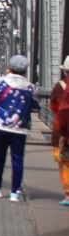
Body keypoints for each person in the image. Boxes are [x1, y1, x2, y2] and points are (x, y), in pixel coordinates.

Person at [0, 54, 40, 202]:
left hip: (1, 126)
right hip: (20, 128)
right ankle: (15, 192)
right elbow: (36, 107)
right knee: (18, 160)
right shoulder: (30, 87)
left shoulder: (1, 82)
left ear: (9, 68)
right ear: (25, 70)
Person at [49, 56, 69, 206]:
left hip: (63, 132)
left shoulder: (60, 86)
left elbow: (54, 107)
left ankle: (68, 194)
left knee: (65, 163)